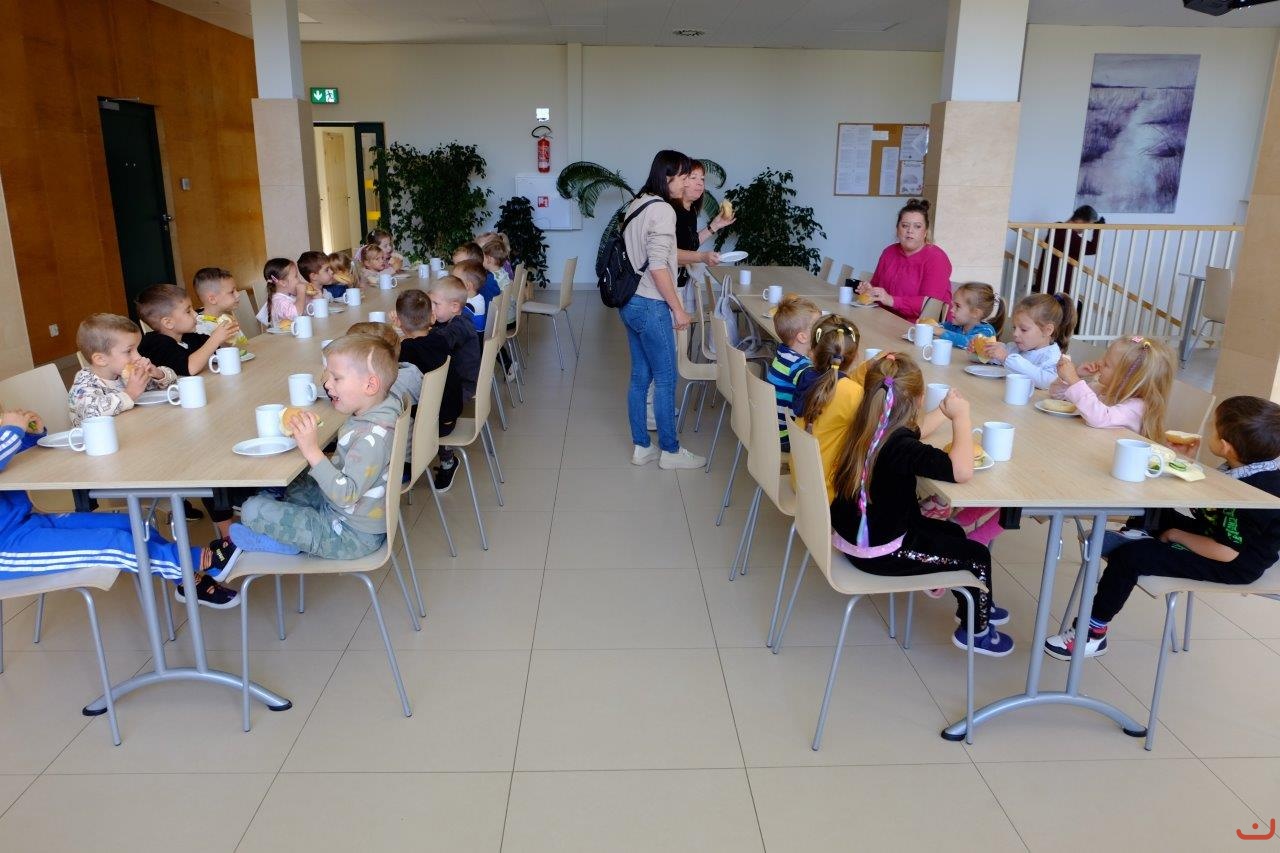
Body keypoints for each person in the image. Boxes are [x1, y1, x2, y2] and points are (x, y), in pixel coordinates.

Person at [1044, 396, 1280, 660]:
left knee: (1131, 558)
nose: (1208, 431)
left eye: (1213, 428)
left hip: (1234, 563)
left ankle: (1092, 634)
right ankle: (1140, 536)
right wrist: (1185, 463)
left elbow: (1226, 552)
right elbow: (1214, 507)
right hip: (1215, 536)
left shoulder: (1258, 495)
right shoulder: (1248, 466)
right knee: (1154, 510)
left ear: (1226, 446)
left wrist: (1179, 535)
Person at [828, 353, 1014, 656]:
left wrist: (942, 411)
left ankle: (974, 601)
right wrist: (961, 418)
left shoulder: (871, 425)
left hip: (857, 535)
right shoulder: (901, 447)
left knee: (954, 533)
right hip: (880, 552)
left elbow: (918, 430)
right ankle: (976, 631)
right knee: (977, 556)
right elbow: (961, 470)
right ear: (918, 400)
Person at [0, 403, 239, 606]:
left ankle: (188, 581)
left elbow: (13, 459)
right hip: (6, 548)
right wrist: (12, 430)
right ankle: (202, 559)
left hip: (24, 522)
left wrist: (31, 434)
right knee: (113, 543)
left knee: (130, 524)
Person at [229, 334, 403, 560]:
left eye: (337, 378)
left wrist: (311, 450)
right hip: (345, 513)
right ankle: (282, 518)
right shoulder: (381, 409)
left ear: (370, 385)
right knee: (298, 478)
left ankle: (285, 542)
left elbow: (346, 495)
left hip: (349, 535)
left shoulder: (372, 438)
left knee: (251, 509)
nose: (327, 384)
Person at [619, 150, 705, 470]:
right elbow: (658, 266)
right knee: (666, 379)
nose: (686, 184)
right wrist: (678, 309)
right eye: (683, 177)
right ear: (667, 177)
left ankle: (642, 446)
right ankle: (670, 450)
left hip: (630, 302)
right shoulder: (663, 210)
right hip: (652, 305)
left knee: (640, 377)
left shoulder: (638, 203)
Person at [395, 280, 480, 492]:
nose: (433, 309)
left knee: (396, 406)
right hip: (450, 410)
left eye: (435, 304)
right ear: (432, 318)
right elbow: (431, 340)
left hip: (438, 421)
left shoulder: (409, 349)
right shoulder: (439, 339)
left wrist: (402, 333)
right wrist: (420, 324)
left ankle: (406, 464)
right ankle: (432, 460)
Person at [794, 316, 864, 499]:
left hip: (799, 478)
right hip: (827, 491)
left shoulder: (805, 377)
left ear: (813, 352)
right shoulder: (853, 393)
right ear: (856, 356)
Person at [1052, 336, 1174, 439]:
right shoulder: (1100, 389)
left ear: (1126, 379)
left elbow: (1099, 418)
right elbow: (1058, 395)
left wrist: (1074, 380)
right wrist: (1074, 376)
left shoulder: (1137, 408)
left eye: (1106, 364)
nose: (1099, 363)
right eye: (1103, 358)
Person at [68, 313, 175, 426]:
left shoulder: (123, 374)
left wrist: (158, 374)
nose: (138, 357)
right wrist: (129, 394)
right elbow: (91, 413)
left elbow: (170, 385)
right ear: (101, 359)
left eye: (137, 349)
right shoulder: (83, 386)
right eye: (129, 351)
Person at [856, 198, 953, 322]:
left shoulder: (937, 258)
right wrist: (870, 290)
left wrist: (891, 300)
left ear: (925, 232)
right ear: (897, 229)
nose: (910, 231)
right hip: (886, 319)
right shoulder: (889, 252)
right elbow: (876, 286)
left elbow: (930, 306)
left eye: (917, 226)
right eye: (905, 225)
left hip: (921, 326)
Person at [136, 284, 240, 377]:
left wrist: (226, 335)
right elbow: (190, 368)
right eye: (188, 311)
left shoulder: (188, 336)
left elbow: (217, 351)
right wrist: (215, 339)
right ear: (168, 323)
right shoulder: (156, 344)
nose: (195, 314)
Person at [981, 292, 1074, 390]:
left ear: (1047, 330)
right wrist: (983, 351)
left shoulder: (1053, 357)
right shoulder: (1015, 347)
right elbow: (997, 359)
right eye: (1014, 328)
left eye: (1023, 329)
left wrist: (1006, 358)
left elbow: (1047, 381)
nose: (1015, 334)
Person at [766, 295, 821, 453]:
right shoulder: (800, 366)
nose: (823, 331)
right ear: (802, 337)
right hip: (786, 438)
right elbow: (819, 388)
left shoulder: (783, 353)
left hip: (772, 430)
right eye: (818, 327)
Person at [1034, 205, 1103, 297]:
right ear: (1080, 220)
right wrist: (1098, 229)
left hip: (1050, 283)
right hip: (1055, 285)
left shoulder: (1059, 229)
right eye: (1089, 226)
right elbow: (1092, 249)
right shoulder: (1065, 233)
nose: (1088, 229)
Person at [927, 282, 1004, 350]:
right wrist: (930, 326)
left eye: (957, 306)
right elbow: (939, 327)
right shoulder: (955, 325)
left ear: (975, 313)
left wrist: (941, 332)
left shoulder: (986, 331)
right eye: (953, 305)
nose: (951, 310)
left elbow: (967, 342)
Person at [192, 267, 250, 349]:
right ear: (212, 299)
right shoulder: (200, 329)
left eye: (236, 290)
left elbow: (243, 347)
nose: (238, 294)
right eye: (232, 292)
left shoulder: (227, 318)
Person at [256, 257, 307, 328]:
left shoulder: (290, 296)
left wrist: (316, 296)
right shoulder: (278, 302)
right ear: (283, 282)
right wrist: (301, 293)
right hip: (287, 335)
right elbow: (296, 313)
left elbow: (306, 309)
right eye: (296, 276)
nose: (299, 279)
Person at [454, 258, 497, 336]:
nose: (451, 283)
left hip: (472, 340)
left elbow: (454, 320)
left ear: (467, 286)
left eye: (455, 281)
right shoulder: (479, 297)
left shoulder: (468, 306)